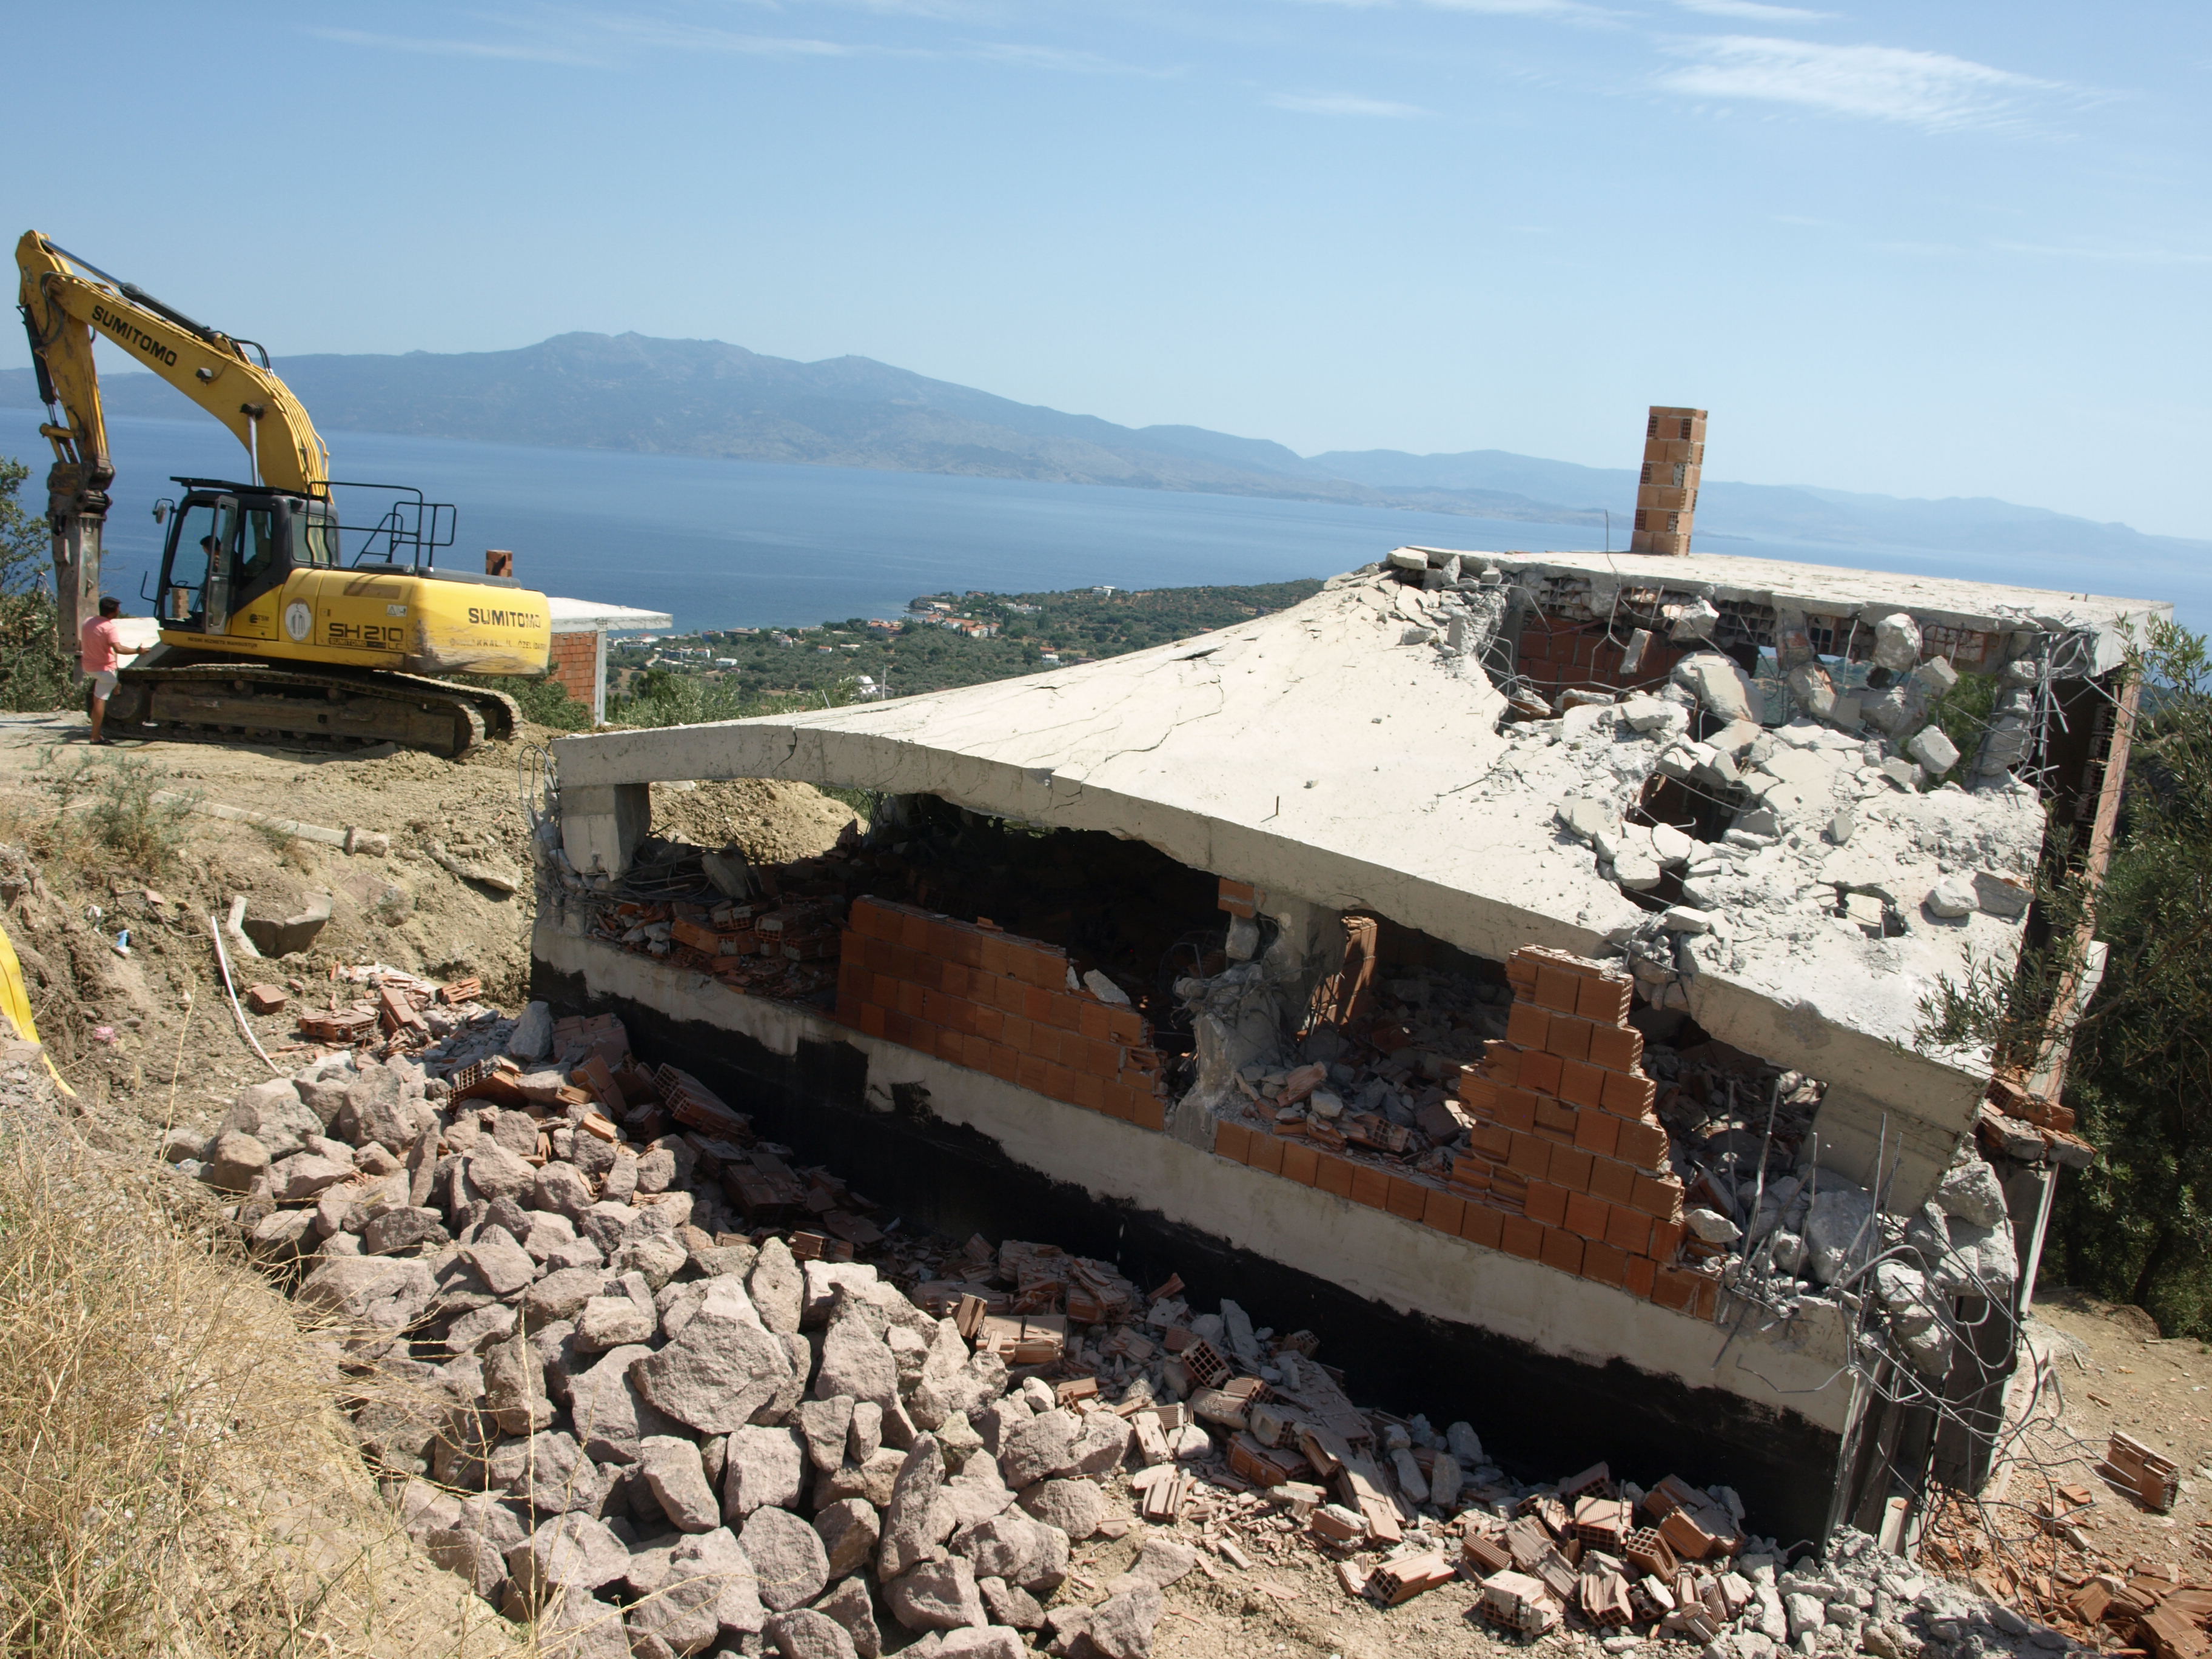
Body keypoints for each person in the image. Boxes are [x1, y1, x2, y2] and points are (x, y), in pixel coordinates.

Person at [79, 596, 133, 745]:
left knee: (99, 697)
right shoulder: (109, 628)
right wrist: (138, 650)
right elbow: (119, 648)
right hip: (105, 669)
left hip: (89, 666)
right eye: (118, 608)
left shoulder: (88, 622)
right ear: (114, 611)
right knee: (100, 701)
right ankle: (95, 736)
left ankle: (96, 734)